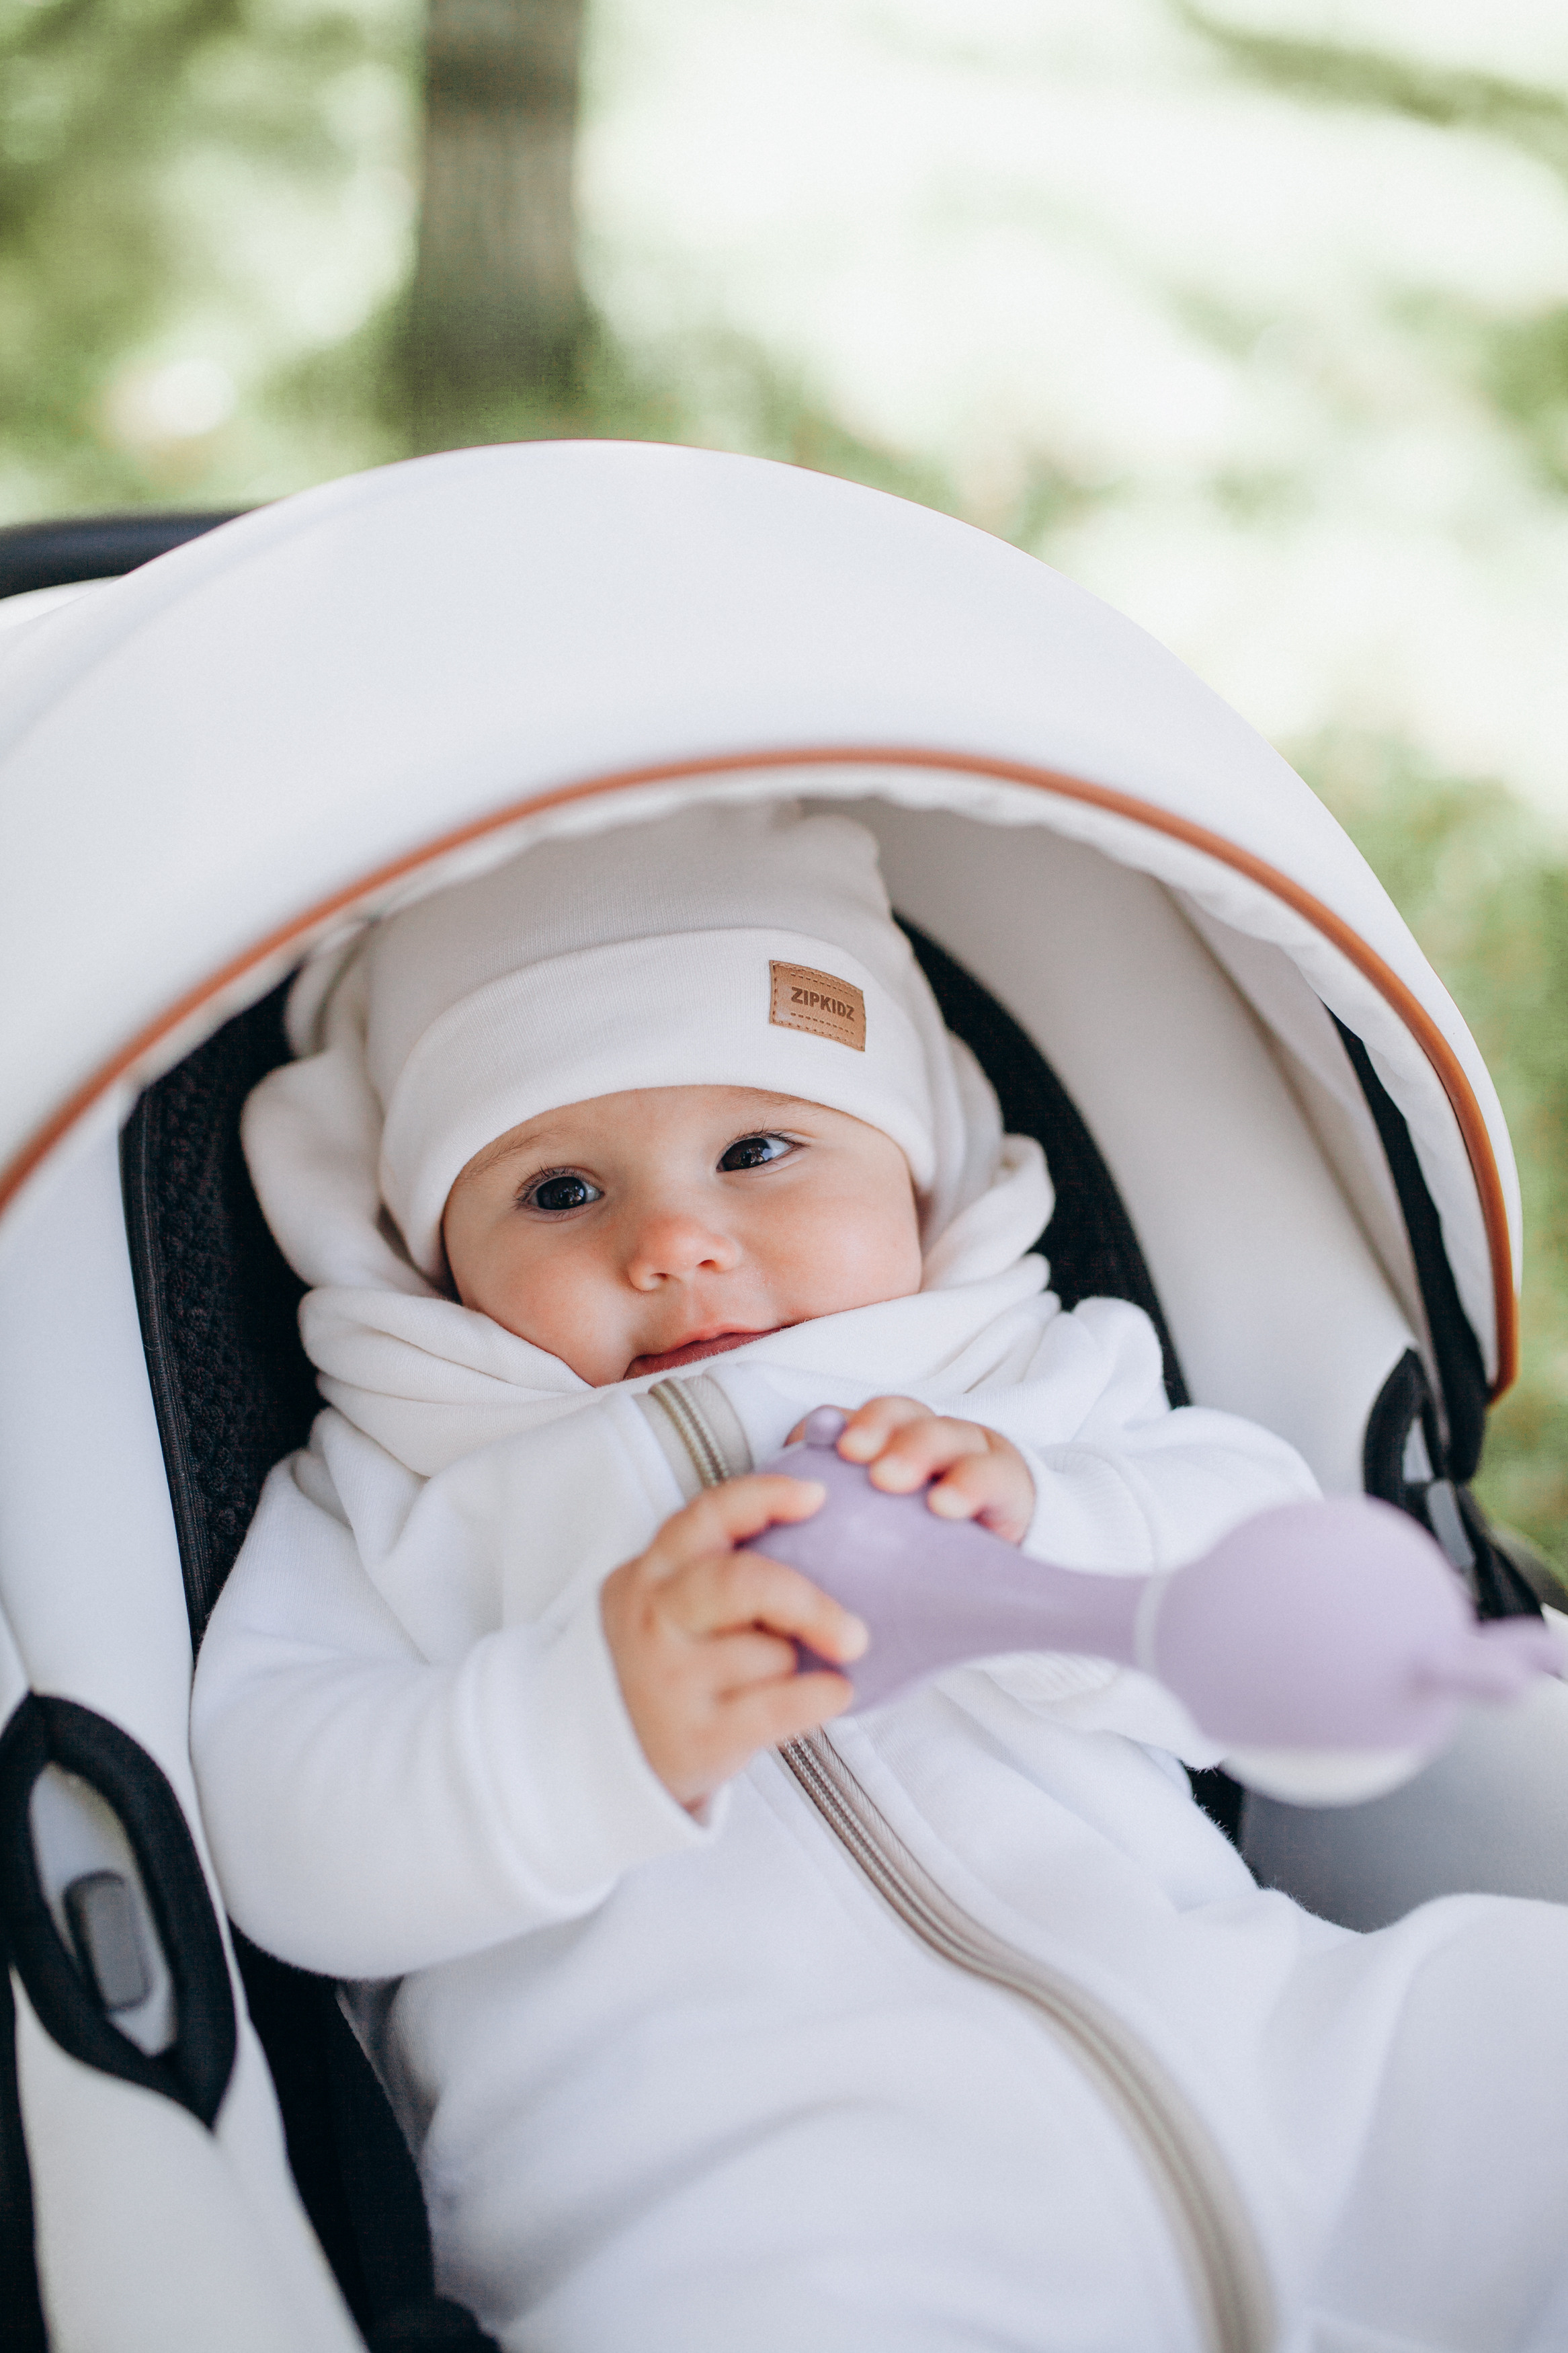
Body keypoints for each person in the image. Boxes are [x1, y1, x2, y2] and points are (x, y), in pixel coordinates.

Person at [191, 800, 1568, 2353]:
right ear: (429, 1250)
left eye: (759, 1148)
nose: (677, 1242)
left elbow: (1261, 1557)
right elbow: (269, 1814)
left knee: (1519, 2038)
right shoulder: (397, 1497)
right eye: (560, 1191)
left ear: (917, 1170)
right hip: (758, 2207)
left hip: (1247, 2039)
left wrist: (1056, 1524)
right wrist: (584, 1726)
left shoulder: (1019, 1377)